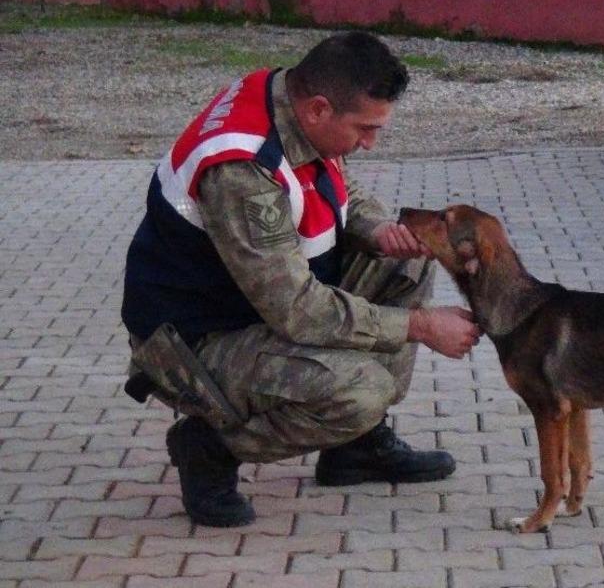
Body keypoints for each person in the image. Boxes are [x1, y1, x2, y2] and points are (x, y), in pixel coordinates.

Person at [120, 31, 481, 527]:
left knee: (407, 259)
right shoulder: (243, 171)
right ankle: (209, 448)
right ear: (317, 109)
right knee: (360, 390)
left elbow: (334, 179)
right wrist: (419, 325)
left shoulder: (285, 96)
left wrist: (377, 229)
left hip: (252, 304)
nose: (370, 144)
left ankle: (354, 447)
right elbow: (298, 310)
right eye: (364, 129)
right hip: (197, 342)